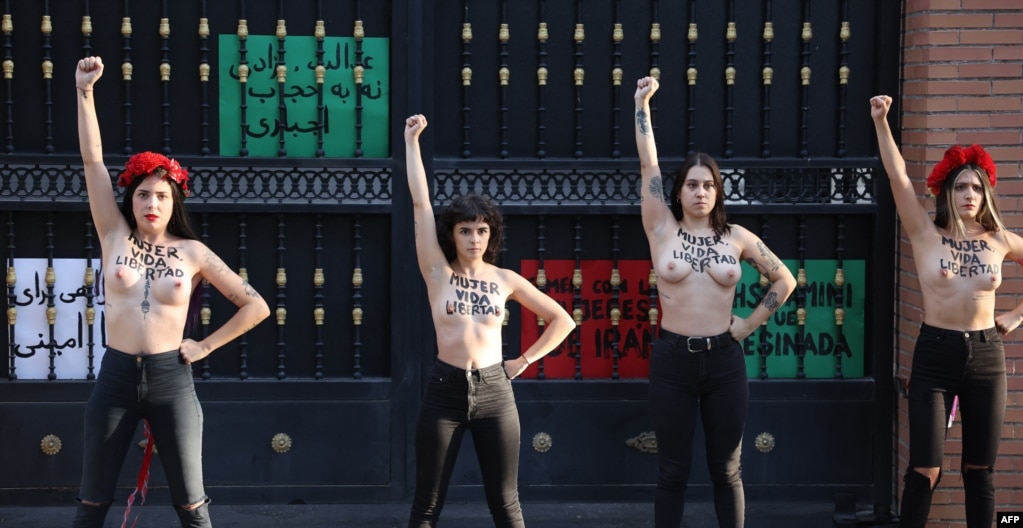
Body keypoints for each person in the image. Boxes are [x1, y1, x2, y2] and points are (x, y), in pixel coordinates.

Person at [72, 56, 270, 528]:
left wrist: (204, 345)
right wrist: (85, 92)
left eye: (161, 196)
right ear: (132, 199)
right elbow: (93, 160)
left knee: (192, 506)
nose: (152, 202)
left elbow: (256, 305)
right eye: (143, 194)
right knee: (91, 504)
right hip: (116, 377)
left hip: (171, 379)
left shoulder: (195, 253)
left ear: (174, 201)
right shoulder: (113, 235)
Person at [633, 77, 796, 528]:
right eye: (691, 185)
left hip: (724, 363)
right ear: (679, 191)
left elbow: (784, 280)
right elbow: (648, 164)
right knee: (672, 472)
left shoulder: (738, 238)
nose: (700, 192)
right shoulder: (660, 228)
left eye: (708, 185)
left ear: (718, 191)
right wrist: (641, 105)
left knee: (727, 470)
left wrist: (749, 324)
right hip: (673, 361)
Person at [403, 114, 575, 527]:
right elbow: (421, 203)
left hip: (496, 391)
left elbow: (562, 320)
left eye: (481, 231)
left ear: (490, 235)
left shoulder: (505, 280)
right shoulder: (437, 272)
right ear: (453, 235)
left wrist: (524, 361)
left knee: (506, 503)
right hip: (445, 390)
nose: (474, 239)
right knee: (427, 504)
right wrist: (412, 142)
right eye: (465, 231)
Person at [871, 95, 1020, 528]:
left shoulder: (1000, 240)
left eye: (976, 187)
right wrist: (881, 122)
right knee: (925, 470)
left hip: (988, 358)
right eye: (960, 186)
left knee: (980, 470)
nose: (969, 194)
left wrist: (1014, 315)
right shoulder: (924, 232)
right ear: (946, 192)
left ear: (986, 191)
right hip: (935, 355)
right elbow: (898, 176)